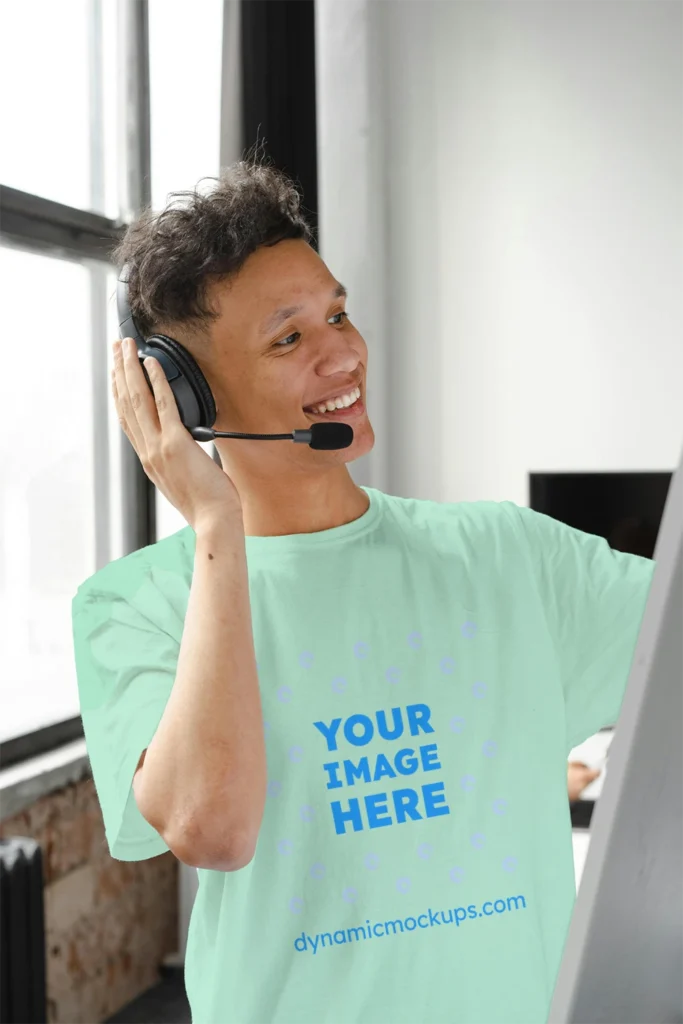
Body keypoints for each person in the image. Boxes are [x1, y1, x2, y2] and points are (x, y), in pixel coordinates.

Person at [71, 157, 655, 1024]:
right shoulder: (135, 607)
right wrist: (216, 528)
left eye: (337, 313)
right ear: (186, 397)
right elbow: (214, 828)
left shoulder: (510, 557)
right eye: (288, 338)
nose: (342, 351)